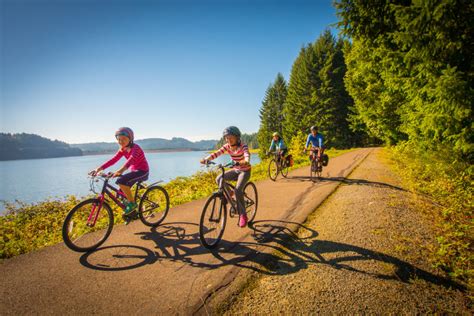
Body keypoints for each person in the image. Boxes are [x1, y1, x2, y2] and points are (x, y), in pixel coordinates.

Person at [90, 127, 149, 215]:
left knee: (121, 181)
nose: (121, 142)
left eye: (124, 139)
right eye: (119, 139)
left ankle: (132, 204)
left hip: (142, 171)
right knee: (120, 193)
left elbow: (131, 160)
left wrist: (120, 171)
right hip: (134, 171)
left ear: (130, 139)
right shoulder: (122, 149)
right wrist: (98, 169)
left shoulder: (136, 148)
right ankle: (132, 213)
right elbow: (113, 160)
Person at [200, 126, 251, 228]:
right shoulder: (227, 146)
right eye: (226, 138)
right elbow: (216, 153)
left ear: (237, 137)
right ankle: (230, 194)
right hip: (236, 170)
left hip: (245, 171)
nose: (228, 140)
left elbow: (247, 155)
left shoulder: (243, 146)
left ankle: (243, 215)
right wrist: (206, 159)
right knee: (219, 178)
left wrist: (245, 161)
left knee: (238, 190)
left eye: (230, 137)